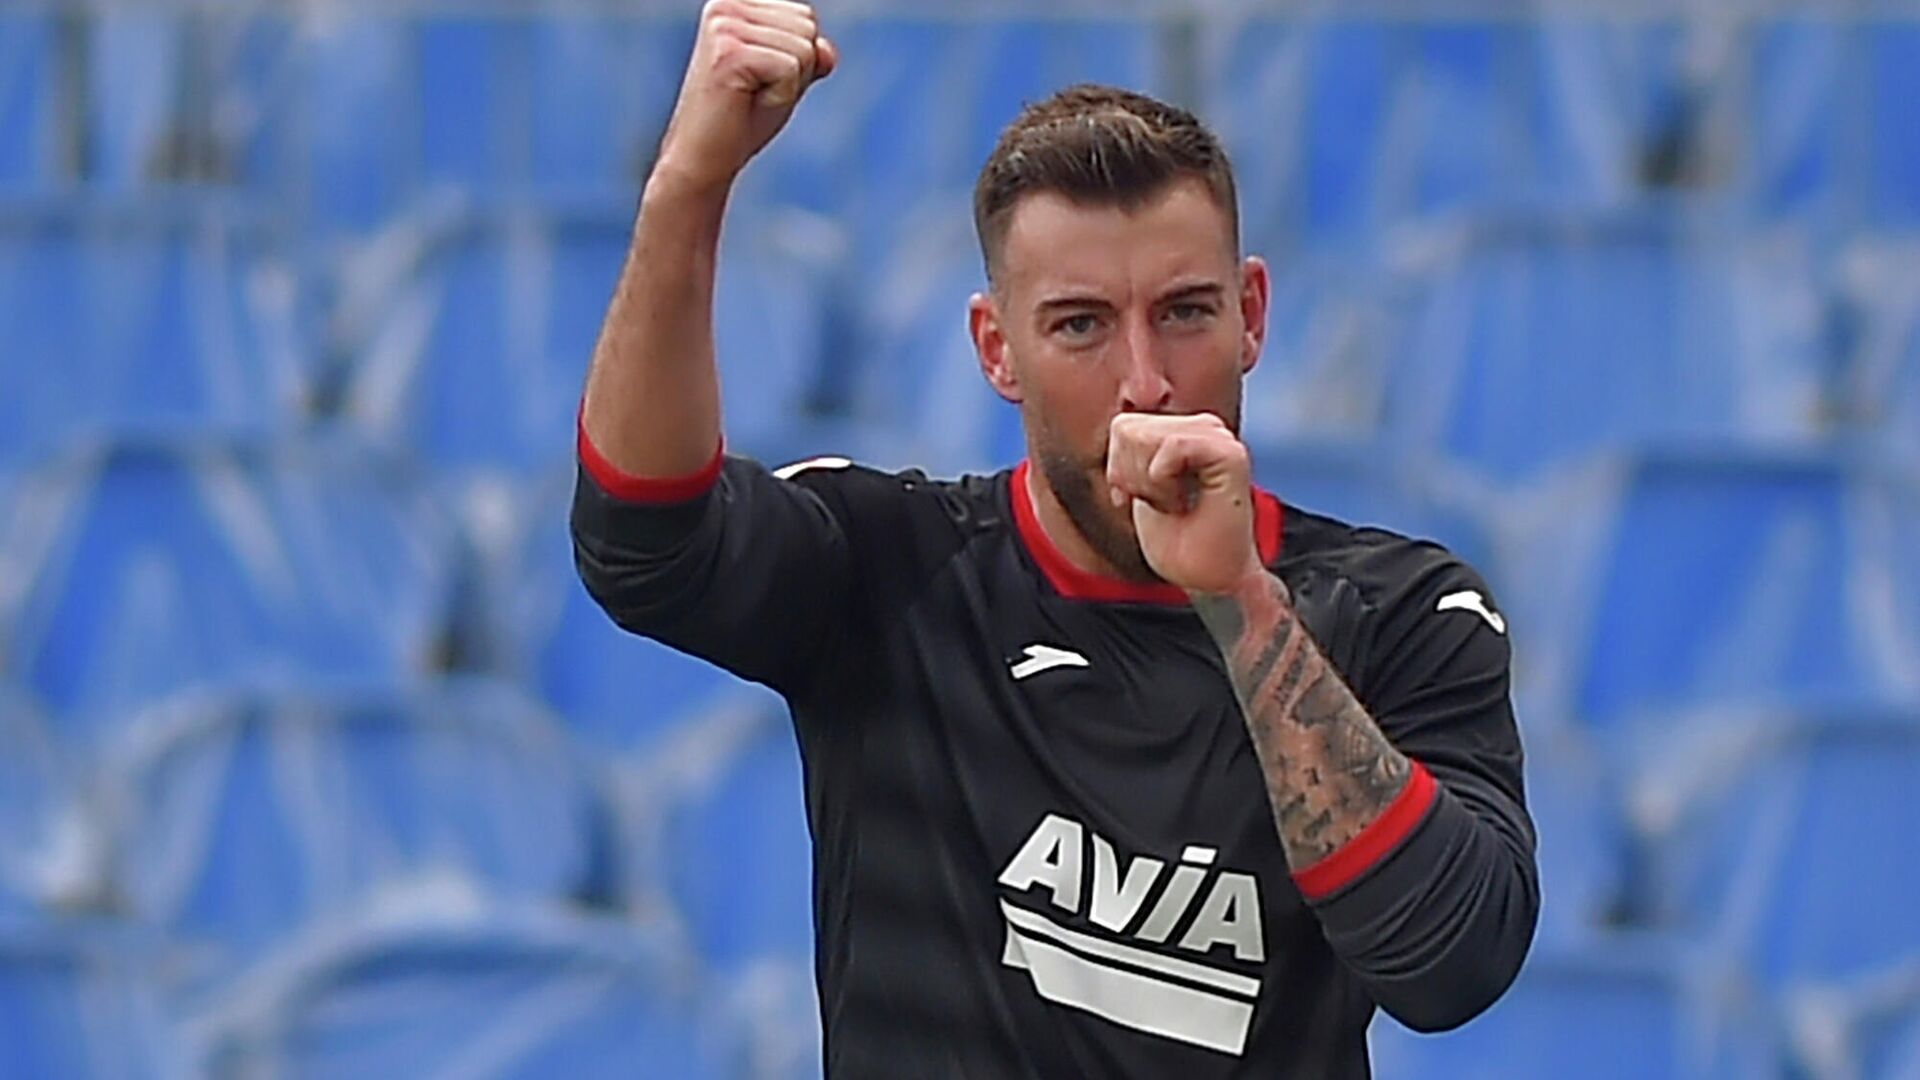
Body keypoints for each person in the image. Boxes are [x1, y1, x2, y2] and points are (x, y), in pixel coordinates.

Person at [572, 1, 1538, 1075]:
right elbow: (640, 547)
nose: (1145, 383)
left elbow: (1454, 962)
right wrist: (688, 188)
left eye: (1186, 312)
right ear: (997, 349)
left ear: (1253, 314)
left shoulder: (1398, 610)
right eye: (1079, 324)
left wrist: (1242, 604)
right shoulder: (892, 570)